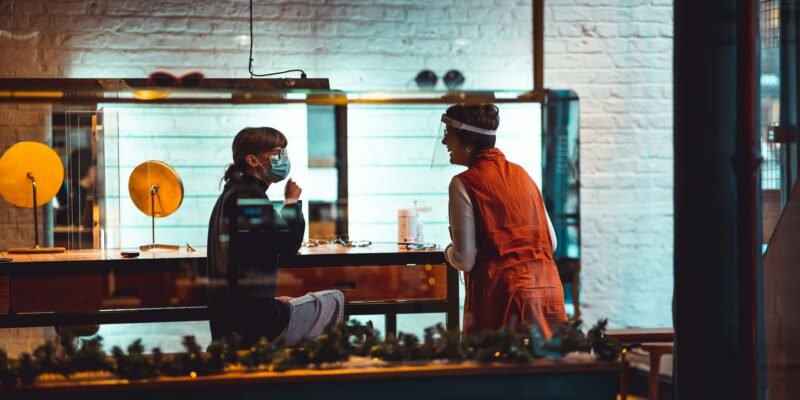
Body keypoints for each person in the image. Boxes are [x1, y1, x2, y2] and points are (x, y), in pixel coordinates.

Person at [207, 127, 342, 348]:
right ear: (252, 160)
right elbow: (289, 243)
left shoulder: (232, 193)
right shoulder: (249, 196)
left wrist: (271, 301)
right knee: (335, 299)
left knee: (295, 303)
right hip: (256, 325)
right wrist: (291, 202)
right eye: (277, 153)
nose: (284, 159)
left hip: (232, 320)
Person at [440, 104, 567, 338]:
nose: (444, 142)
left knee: (496, 372)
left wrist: (447, 251)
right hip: (547, 294)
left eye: (448, 133)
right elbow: (552, 243)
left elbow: (465, 260)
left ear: (467, 141)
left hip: (503, 298)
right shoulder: (523, 174)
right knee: (548, 371)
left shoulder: (464, 183)